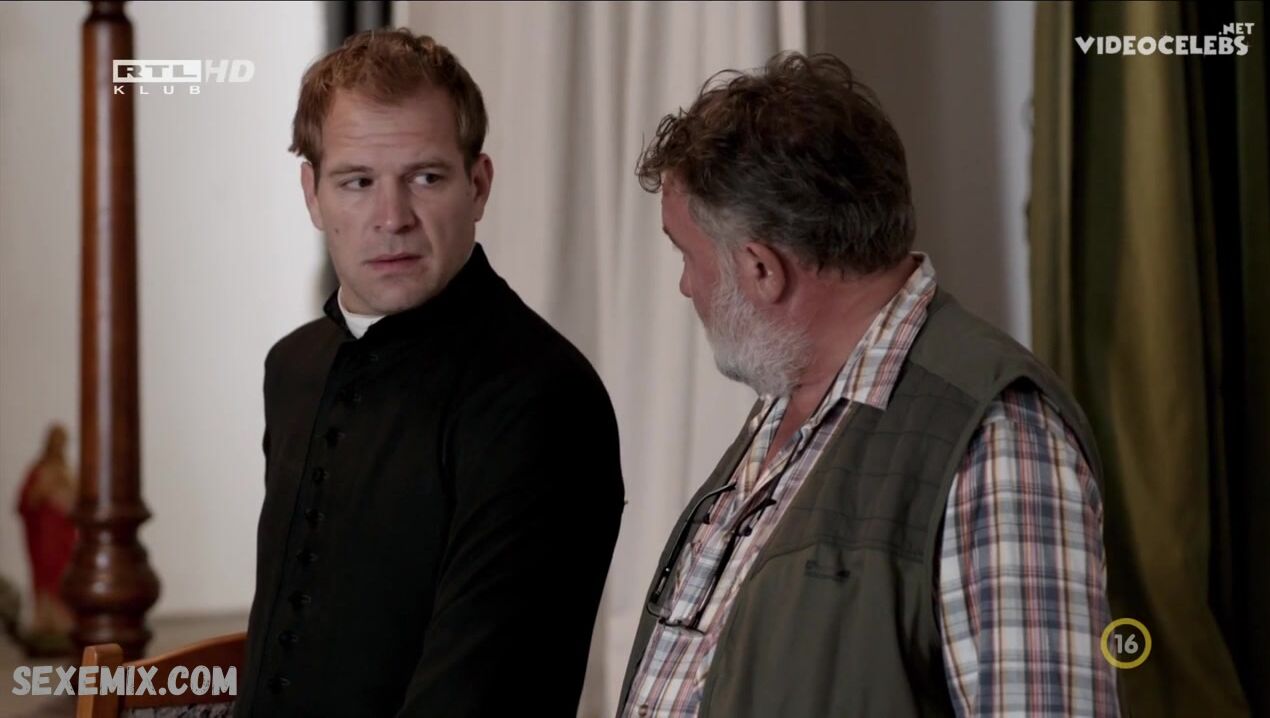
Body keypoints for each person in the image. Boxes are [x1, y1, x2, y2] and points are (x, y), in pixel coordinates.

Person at [618, 52, 1120, 717]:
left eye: (687, 254)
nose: (686, 286)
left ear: (762, 269)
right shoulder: (790, 405)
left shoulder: (998, 439)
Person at [236, 29, 625, 717]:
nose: (393, 219)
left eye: (426, 178)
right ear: (313, 195)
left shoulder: (543, 397)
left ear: (478, 186)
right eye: (358, 182)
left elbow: (479, 699)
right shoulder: (292, 367)